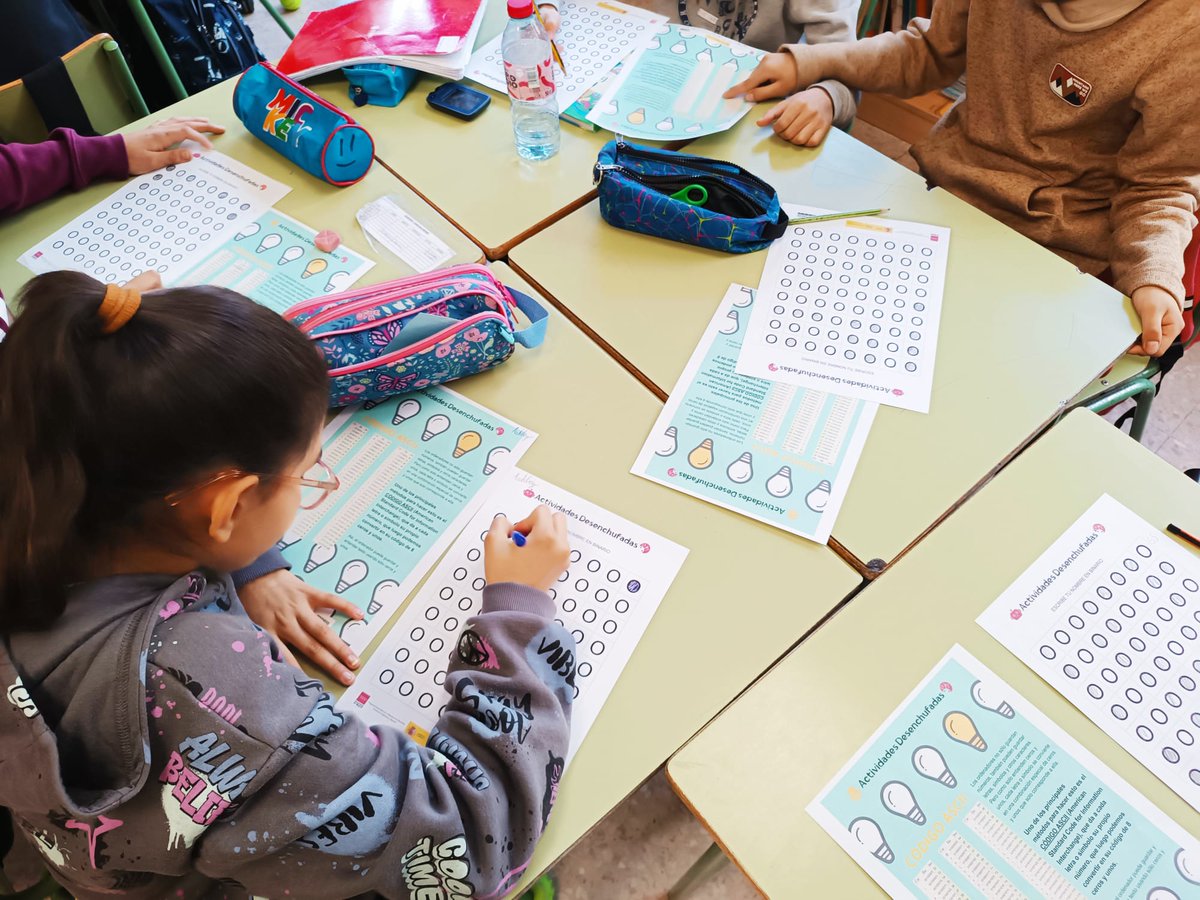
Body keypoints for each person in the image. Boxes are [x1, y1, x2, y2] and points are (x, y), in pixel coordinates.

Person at [0, 272, 576, 898]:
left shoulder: (31, 485)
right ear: (227, 507)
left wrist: (244, 564)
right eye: (306, 473)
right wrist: (518, 614)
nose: (311, 482)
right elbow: (472, 845)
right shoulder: (218, 702)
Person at [726, 0, 1200, 357]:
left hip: (1050, 250)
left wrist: (1155, 277)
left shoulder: (1184, 33)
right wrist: (811, 63)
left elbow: (1159, 183)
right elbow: (927, 52)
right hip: (938, 194)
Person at [536, 0, 859, 146]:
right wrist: (547, 7)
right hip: (621, 106)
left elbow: (848, 69)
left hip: (733, 129)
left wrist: (826, 97)